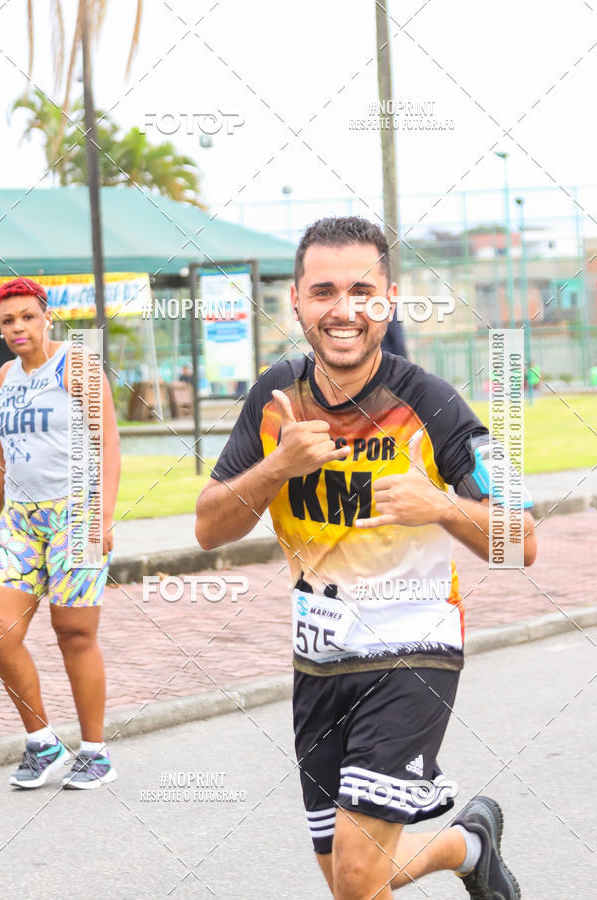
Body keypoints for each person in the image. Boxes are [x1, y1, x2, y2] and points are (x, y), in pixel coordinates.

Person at [195, 217, 536, 898]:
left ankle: (467, 845)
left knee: (357, 874)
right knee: (349, 876)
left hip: (414, 651)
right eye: (324, 292)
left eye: (361, 291)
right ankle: (468, 845)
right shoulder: (275, 398)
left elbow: (521, 540)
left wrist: (441, 506)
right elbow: (209, 527)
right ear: (296, 301)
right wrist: (277, 467)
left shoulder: (433, 403)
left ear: (389, 301)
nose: (343, 310)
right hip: (318, 663)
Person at [0, 277, 120, 789]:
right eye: (8, 320)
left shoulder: (77, 365)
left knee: (74, 633)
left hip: (78, 512)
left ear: (47, 317)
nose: (18, 327)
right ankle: (42, 741)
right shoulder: (4, 376)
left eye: (28, 316)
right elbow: (1, 459)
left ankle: (95, 752)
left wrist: (104, 516)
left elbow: (108, 443)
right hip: (20, 520)